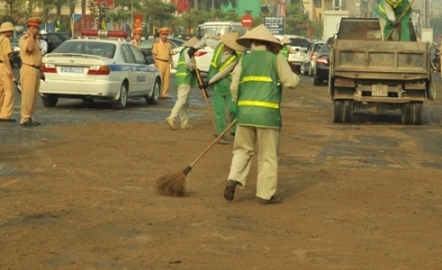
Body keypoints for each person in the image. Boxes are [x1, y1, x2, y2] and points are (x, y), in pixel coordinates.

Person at [223, 24, 300, 205]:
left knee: (242, 151)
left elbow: (234, 87)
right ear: (269, 43)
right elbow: (290, 82)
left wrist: (239, 103)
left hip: (245, 115)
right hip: (268, 116)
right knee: (267, 156)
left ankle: (233, 179)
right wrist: (296, 76)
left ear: (253, 43)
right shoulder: (276, 58)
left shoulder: (245, 60)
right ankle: (265, 195)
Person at [189, 32, 245, 144]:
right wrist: (194, 48)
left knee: (234, 109)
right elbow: (205, 41)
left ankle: (234, 130)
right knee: (219, 111)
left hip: (230, 85)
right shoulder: (218, 46)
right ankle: (221, 134)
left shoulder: (236, 58)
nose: (230, 48)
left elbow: (223, 73)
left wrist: (208, 82)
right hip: (217, 86)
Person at [165, 37, 199, 130]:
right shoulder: (188, 51)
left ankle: (184, 123)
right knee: (181, 100)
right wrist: (195, 69)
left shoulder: (184, 50)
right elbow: (188, 63)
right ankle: (172, 117)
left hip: (183, 79)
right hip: (185, 78)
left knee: (184, 102)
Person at [19, 17, 43, 127]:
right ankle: (25, 118)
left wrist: (41, 70)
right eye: (33, 28)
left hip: (36, 69)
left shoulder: (37, 40)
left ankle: (30, 117)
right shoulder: (24, 39)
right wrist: (31, 37)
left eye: (37, 28)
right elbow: (29, 49)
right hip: (28, 69)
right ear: (28, 29)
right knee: (27, 95)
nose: (35, 30)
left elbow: (38, 56)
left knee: (34, 96)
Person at [0, 22, 16, 122]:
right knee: (9, 91)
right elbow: (6, 56)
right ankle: (5, 115)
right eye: (11, 30)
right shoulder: (5, 40)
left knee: (0, 91)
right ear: (7, 31)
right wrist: (10, 70)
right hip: (3, 66)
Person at [152, 27, 174, 99]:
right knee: (160, 79)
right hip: (159, 62)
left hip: (166, 63)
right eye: (163, 35)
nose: (165, 36)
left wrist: (172, 62)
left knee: (166, 79)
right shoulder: (157, 44)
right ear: (160, 35)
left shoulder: (169, 44)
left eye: (166, 35)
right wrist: (155, 61)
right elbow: (154, 54)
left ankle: (164, 94)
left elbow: (170, 54)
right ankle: (158, 93)